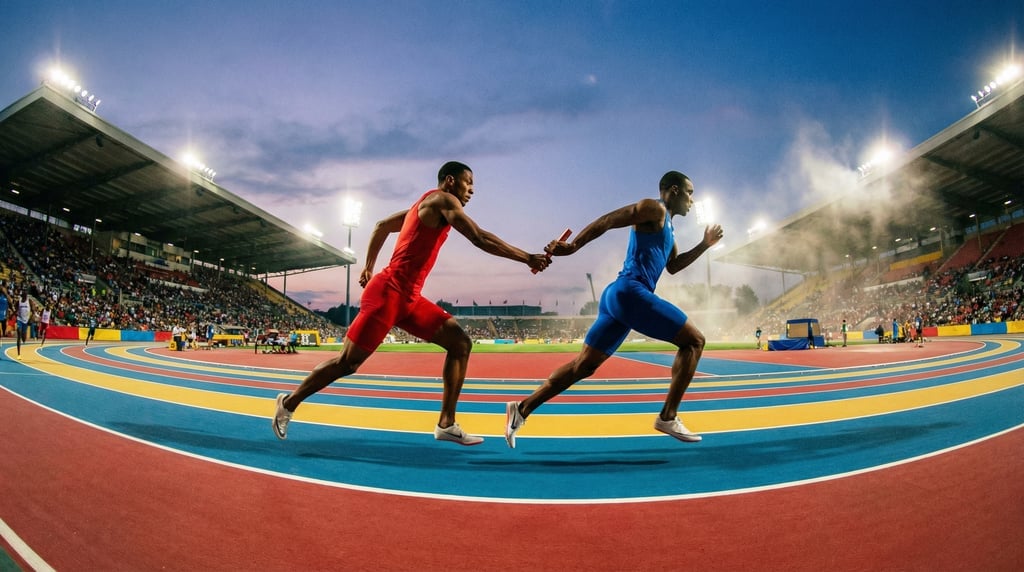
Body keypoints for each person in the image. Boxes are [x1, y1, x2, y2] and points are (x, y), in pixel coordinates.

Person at [272, 161, 551, 445]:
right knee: (347, 363)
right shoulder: (443, 200)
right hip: (388, 294)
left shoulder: (424, 205)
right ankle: (289, 403)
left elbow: (381, 226)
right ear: (451, 181)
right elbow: (478, 238)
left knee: (460, 343)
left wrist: (368, 267)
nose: (472, 191)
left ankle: (446, 423)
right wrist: (527, 257)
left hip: (409, 299)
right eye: (469, 183)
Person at [504, 170, 723, 448]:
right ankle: (668, 416)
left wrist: (705, 244)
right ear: (674, 190)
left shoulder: (669, 229)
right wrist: (573, 246)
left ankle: (521, 410)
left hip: (618, 298)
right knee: (695, 341)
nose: (693, 200)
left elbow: (673, 266)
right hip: (630, 292)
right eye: (690, 193)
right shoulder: (653, 208)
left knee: (581, 367)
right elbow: (608, 220)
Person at [15, 292, 31, 360]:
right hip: (19, 319)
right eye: (24, 296)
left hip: (26, 321)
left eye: (26, 296)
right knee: (19, 332)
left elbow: (33, 310)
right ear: (22, 296)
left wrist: (31, 318)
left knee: (23, 338)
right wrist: (13, 314)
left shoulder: (29, 301)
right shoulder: (19, 301)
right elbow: (16, 309)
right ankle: (18, 354)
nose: (25, 297)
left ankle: (23, 338)